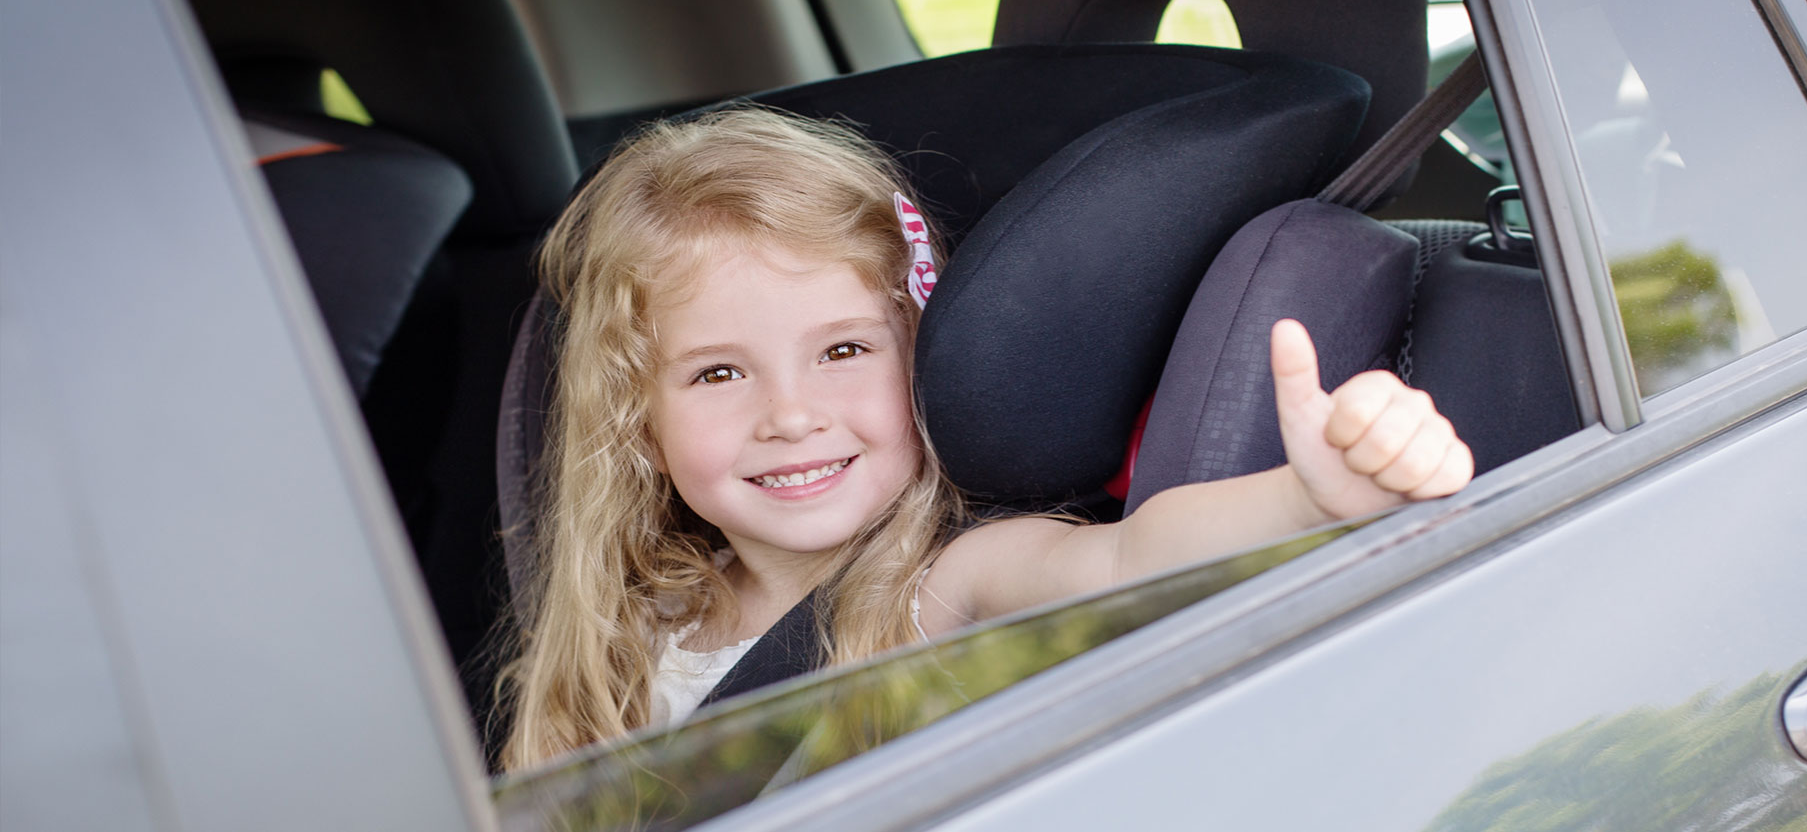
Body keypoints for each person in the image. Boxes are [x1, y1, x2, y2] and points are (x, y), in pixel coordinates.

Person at [498, 107, 1472, 770]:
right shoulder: (634, 625)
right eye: (717, 372)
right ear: (639, 421)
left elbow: (1128, 557)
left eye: (843, 349)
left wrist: (1307, 499)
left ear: (926, 358)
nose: (789, 414)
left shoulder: (942, 586)